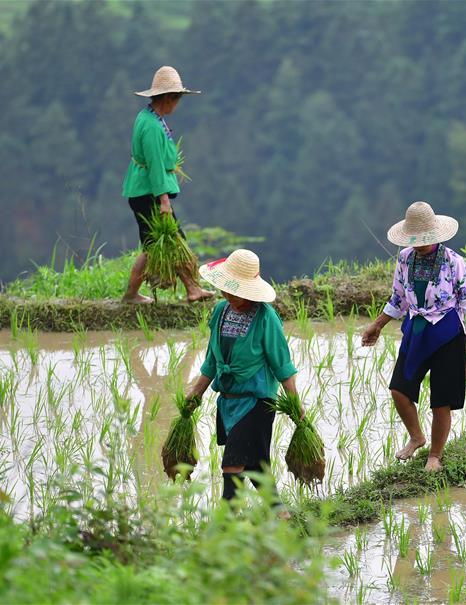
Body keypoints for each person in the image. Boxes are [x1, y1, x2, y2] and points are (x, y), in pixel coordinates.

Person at [361, 202, 466, 472]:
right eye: (415, 239)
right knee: (399, 389)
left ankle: (435, 455)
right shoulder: (404, 259)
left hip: (447, 334)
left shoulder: (453, 261)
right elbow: (398, 298)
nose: (420, 244)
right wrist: (377, 325)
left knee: (441, 400)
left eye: (425, 239)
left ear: (435, 234)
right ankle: (416, 437)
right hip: (416, 330)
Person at [185, 249, 299, 500]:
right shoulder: (220, 311)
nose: (229, 295)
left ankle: (227, 519)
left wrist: (295, 404)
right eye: (227, 289)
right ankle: (281, 514)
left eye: (235, 290)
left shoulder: (266, 317)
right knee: (255, 466)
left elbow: (282, 364)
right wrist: (195, 394)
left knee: (232, 463)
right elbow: (212, 359)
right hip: (228, 401)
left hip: (257, 402)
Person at [121, 65, 213, 304]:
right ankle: (134, 294)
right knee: (163, 243)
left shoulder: (149, 117)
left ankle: (192, 288)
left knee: (165, 241)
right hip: (148, 193)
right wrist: (164, 200)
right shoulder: (152, 126)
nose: (178, 104)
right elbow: (154, 165)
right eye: (178, 99)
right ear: (169, 97)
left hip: (144, 190)